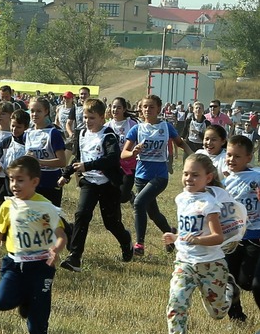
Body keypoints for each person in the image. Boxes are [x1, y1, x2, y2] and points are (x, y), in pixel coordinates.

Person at [0, 156, 66, 334]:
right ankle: (24, 298)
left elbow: (61, 235)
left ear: (35, 182)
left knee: (38, 318)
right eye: (12, 179)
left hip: (41, 267)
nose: (14, 185)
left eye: (20, 180)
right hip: (15, 264)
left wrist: (56, 249)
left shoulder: (46, 207)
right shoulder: (8, 206)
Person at [163, 153, 234, 334]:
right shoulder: (180, 198)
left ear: (208, 177)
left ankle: (230, 290)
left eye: (195, 175)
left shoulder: (209, 203)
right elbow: (186, 231)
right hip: (184, 262)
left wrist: (199, 240)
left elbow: (218, 237)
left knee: (218, 313)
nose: (188, 179)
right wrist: (175, 238)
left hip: (211, 265)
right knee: (176, 304)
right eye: (186, 173)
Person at [57, 98, 132, 271]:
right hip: (89, 182)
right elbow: (79, 159)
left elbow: (112, 159)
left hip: (108, 184)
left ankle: (125, 240)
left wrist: (88, 166)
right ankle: (74, 257)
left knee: (111, 223)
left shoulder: (108, 135)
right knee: (81, 215)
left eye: (91, 118)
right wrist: (66, 175)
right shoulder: (82, 134)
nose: (87, 121)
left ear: (101, 118)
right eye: (85, 117)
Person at [122, 95, 181, 257]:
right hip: (141, 176)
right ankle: (171, 234)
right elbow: (124, 154)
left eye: (151, 107)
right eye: (145, 107)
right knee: (153, 213)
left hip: (160, 176)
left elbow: (180, 143)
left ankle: (139, 244)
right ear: (141, 109)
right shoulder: (137, 129)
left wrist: (195, 157)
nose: (147, 110)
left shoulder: (166, 127)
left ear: (159, 109)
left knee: (139, 203)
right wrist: (133, 152)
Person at [222, 135, 260, 322]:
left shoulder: (256, 177)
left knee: (247, 282)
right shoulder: (224, 181)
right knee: (228, 278)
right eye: (229, 155)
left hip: (255, 237)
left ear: (249, 158)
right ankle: (236, 316)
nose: (231, 159)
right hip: (232, 238)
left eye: (237, 156)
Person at [25, 97, 68, 207]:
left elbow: (62, 161)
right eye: (32, 111)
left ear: (46, 112)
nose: (34, 114)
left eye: (38, 111)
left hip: (51, 180)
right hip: (32, 181)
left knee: (49, 219)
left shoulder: (53, 133)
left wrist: (39, 161)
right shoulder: (28, 133)